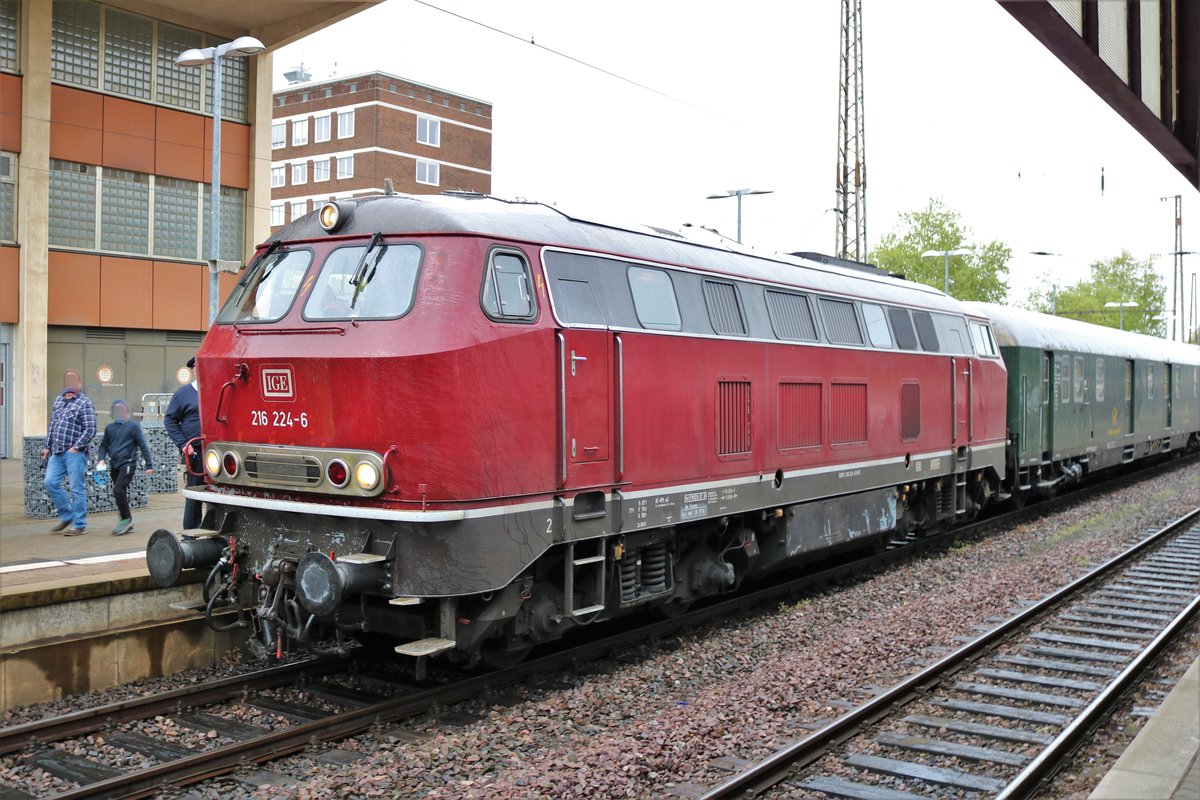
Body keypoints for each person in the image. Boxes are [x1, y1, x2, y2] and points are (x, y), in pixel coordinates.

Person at [41, 371, 97, 536]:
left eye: (74, 380)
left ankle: (80, 525)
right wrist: (47, 447)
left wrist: (76, 447)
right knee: (50, 482)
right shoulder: (59, 400)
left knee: (76, 489)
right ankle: (67, 515)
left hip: (75, 454)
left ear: (79, 384)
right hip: (56, 452)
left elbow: (91, 428)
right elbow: (53, 426)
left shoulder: (84, 402)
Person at [96, 399, 154, 536]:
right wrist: (101, 459)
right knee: (119, 493)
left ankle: (126, 519)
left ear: (127, 412)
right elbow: (104, 445)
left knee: (118, 490)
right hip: (114, 465)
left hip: (128, 464)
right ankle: (126, 520)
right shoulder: (110, 428)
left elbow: (143, 445)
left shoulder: (134, 427)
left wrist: (149, 465)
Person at [165, 356, 203, 529]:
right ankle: (191, 532)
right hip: (195, 451)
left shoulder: (216, 390)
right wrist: (183, 444)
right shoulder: (183, 394)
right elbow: (170, 420)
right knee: (194, 493)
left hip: (216, 449)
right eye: (198, 367)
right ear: (194, 370)